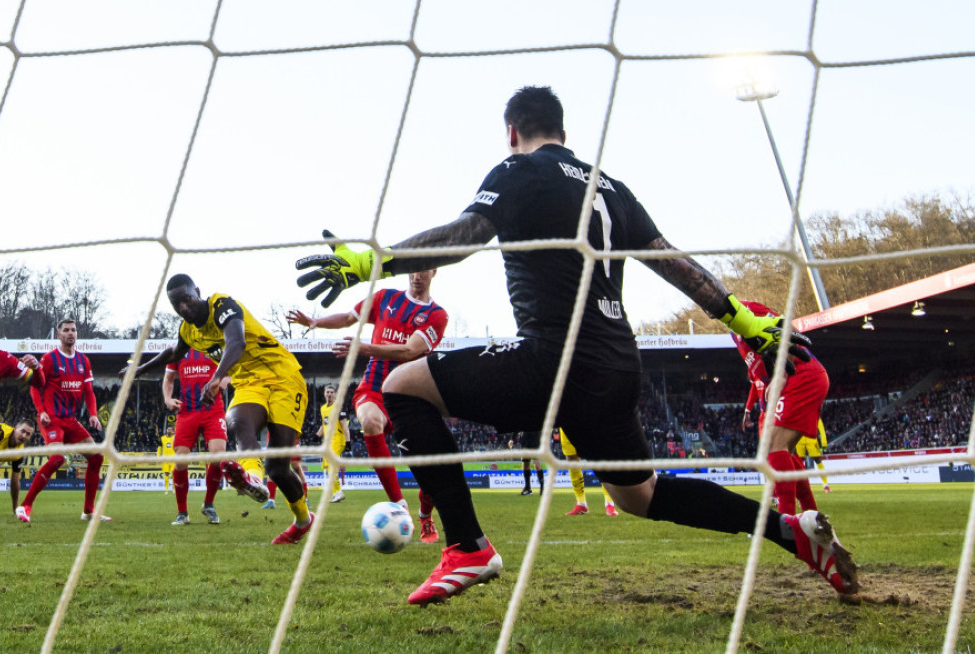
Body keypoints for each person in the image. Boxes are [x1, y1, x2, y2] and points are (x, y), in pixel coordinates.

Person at [294, 85, 858, 606]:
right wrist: (741, 321)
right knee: (642, 496)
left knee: (401, 386)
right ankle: (792, 532)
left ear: (511, 132)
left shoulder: (517, 171)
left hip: (552, 358)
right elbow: (675, 265)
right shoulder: (610, 187)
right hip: (616, 365)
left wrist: (374, 261)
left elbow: (464, 237)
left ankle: (467, 547)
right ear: (562, 129)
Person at [125, 275, 313, 545]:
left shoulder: (222, 305)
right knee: (237, 422)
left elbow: (236, 342)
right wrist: (140, 369)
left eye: (187, 299)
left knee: (279, 468)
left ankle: (303, 520)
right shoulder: (188, 331)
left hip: (283, 377)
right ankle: (253, 478)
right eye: (176, 304)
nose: (183, 307)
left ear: (197, 292)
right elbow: (175, 353)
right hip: (249, 383)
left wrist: (216, 379)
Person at [287, 268, 447, 544]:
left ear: (433, 271)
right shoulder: (384, 297)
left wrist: (365, 348)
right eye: (413, 269)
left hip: (412, 395)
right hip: (373, 388)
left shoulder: (436, 315)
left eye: (423, 269)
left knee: (432, 475)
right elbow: (349, 318)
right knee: (370, 422)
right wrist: (315, 322)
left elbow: (410, 350)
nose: (416, 275)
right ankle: (399, 504)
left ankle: (424, 515)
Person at [736, 301, 831, 515]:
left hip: (799, 376)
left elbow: (786, 325)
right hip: (779, 394)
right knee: (781, 452)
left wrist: (782, 373)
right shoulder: (735, 333)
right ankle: (811, 519)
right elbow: (756, 379)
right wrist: (748, 409)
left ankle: (786, 520)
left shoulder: (744, 309)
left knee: (774, 448)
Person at [17, 318, 113, 524]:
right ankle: (25, 506)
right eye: (66, 330)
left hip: (71, 420)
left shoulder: (83, 361)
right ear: (58, 335)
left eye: (74, 330)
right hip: (51, 419)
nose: (71, 333)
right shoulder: (50, 359)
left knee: (96, 457)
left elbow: (88, 391)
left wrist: (93, 414)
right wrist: (41, 410)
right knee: (57, 459)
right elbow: (35, 386)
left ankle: (88, 511)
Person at [162, 349, 229, 525]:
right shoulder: (179, 349)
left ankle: (209, 504)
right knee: (180, 460)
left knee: (218, 455)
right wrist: (168, 399)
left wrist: (220, 384)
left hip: (213, 410)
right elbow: (168, 379)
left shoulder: (215, 346)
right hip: (187, 411)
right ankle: (182, 512)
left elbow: (230, 374)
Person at [560, 427, 617, 517]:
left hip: (592, 416)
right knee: (571, 459)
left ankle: (609, 504)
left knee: (602, 455)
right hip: (567, 419)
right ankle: (581, 504)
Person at [317, 384, 350, 503]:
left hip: (338, 439)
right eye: (327, 392)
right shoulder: (323, 408)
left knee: (331, 465)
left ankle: (338, 492)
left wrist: (348, 442)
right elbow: (324, 424)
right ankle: (336, 492)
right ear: (324, 394)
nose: (329, 394)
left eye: (331, 392)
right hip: (328, 442)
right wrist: (317, 436)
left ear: (335, 394)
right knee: (326, 466)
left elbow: (345, 427)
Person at [0, 419, 36, 513]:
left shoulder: (19, 454)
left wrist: (15, 508)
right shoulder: (0, 431)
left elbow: (14, 481)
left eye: (28, 434)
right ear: (16, 428)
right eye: (22, 431)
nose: (24, 436)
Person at [795, 419, 831, 493]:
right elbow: (821, 429)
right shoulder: (813, 413)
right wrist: (824, 443)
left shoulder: (801, 412)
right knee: (817, 461)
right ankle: (825, 486)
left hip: (802, 440)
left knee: (800, 464)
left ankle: (825, 485)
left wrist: (824, 442)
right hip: (808, 440)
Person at [509, 431, 543, 496]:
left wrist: (512, 439)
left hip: (533, 439)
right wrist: (512, 439)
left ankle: (540, 488)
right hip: (528, 440)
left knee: (535, 462)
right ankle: (528, 488)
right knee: (527, 463)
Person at [158, 425, 176, 494]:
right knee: (166, 473)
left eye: (171, 430)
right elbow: (159, 447)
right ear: (166, 430)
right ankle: (166, 489)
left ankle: (173, 489)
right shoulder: (162, 438)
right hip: (165, 459)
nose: (169, 431)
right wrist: (159, 456)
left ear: (172, 431)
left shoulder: (174, 438)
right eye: (168, 430)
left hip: (173, 458)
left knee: (174, 474)